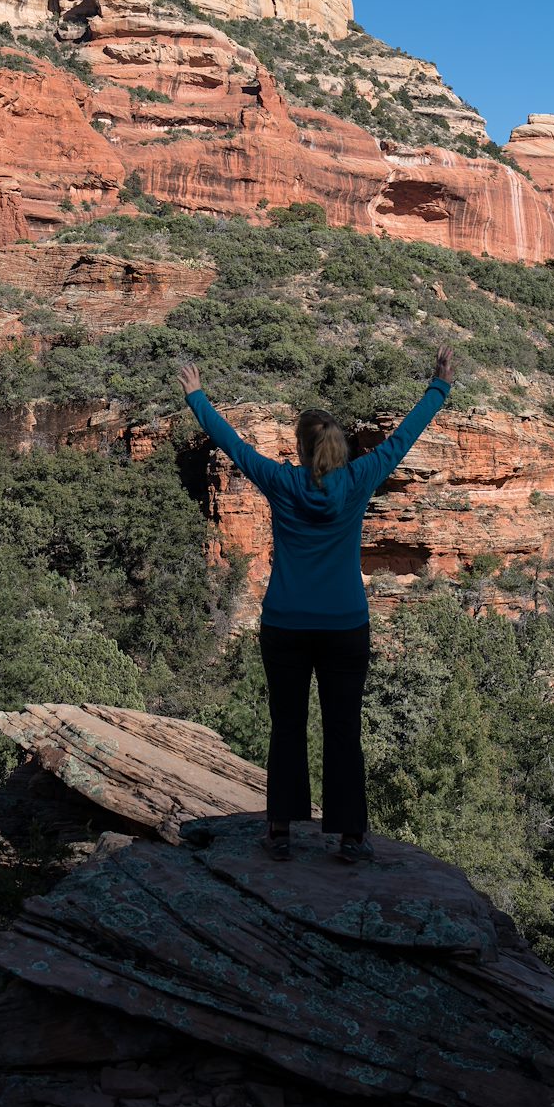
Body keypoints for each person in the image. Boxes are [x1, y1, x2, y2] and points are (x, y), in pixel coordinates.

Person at [178, 346, 455, 864]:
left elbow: (234, 447)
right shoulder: (358, 480)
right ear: (339, 449)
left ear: (302, 451)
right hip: (345, 625)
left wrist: (198, 398)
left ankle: (280, 831)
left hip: (285, 623)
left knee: (287, 725)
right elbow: (401, 440)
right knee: (343, 727)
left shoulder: (283, 482)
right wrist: (438, 386)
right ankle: (350, 838)